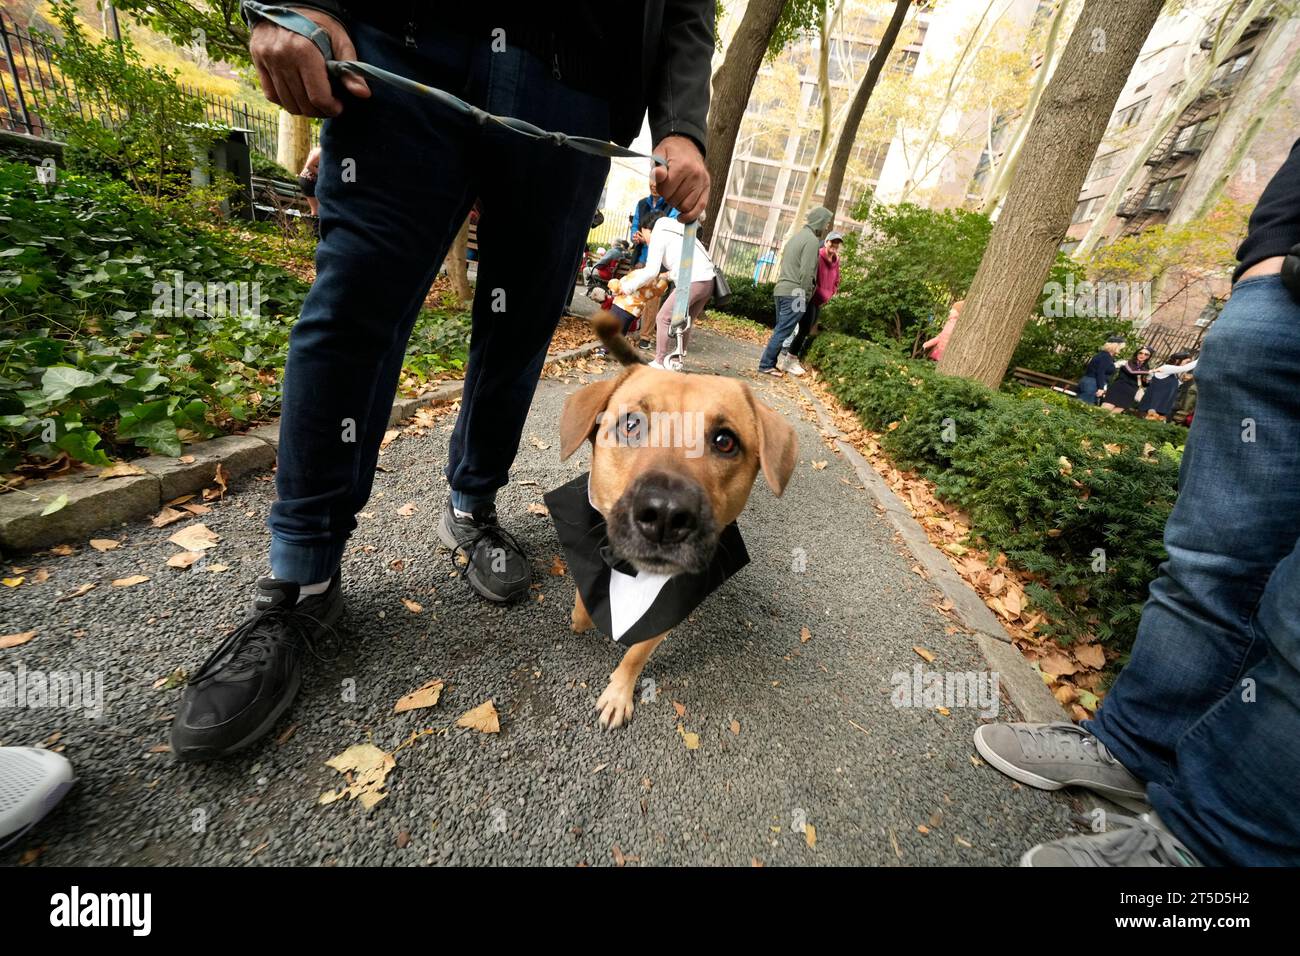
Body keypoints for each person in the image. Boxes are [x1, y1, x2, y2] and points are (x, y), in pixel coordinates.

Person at [169, 2, 714, 761]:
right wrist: (297, 5)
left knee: (521, 329)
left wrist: (682, 125)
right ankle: (302, 582)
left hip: (579, 92)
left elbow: (688, 10)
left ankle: (472, 504)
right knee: (355, 301)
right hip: (403, 42)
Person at [973, 137, 1300, 866]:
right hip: (1281, 302)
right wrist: (1268, 262)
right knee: (1208, 563)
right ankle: (1133, 750)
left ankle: (1213, 851)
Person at [621, 208, 716, 369]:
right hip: (708, 281)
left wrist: (628, 286)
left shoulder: (659, 230)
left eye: (644, 234)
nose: (646, 240)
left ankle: (660, 360)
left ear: (647, 228)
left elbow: (651, 271)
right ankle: (677, 361)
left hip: (692, 280)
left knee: (663, 317)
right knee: (684, 321)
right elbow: (683, 258)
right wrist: (668, 275)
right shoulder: (674, 226)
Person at [760, 206, 833, 377]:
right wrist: (806, 296)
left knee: (781, 328)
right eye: (826, 222)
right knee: (784, 330)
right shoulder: (812, 241)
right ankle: (766, 364)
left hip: (781, 289)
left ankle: (770, 363)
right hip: (796, 292)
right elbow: (807, 272)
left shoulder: (796, 237)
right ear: (819, 221)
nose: (827, 226)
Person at [782, 230, 843, 376]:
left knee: (806, 330)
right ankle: (788, 360)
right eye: (832, 242)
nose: (834, 245)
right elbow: (808, 274)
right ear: (827, 242)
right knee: (803, 329)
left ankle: (792, 357)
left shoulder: (835, 260)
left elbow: (836, 279)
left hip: (820, 300)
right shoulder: (818, 255)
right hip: (809, 297)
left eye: (837, 243)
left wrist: (832, 291)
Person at [630, 179, 678, 267]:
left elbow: (669, 236)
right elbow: (635, 226)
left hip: (660, 263)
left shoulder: (673, 206)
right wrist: (635, 236)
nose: (654, 185)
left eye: (659, 181)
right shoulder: (641, 204)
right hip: (638, 260)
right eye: (652, 179)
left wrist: (647, 239)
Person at [1138, 351, 1197, 421]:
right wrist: (1203, 357)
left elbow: (1170, 387)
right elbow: (1185, 368)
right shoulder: (1166, 368)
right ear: (1177, 360)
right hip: (1152, 407)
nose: (1188, 364)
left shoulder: (1174, 373)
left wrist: (1182, 381)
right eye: (1187, 362)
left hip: (1162, 408)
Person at [1075, 335, 1125, 405]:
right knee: (1082, 407)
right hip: (1092, 384)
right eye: (1121, 348)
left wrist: (1115, 365)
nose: (1121, 350)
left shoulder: (1103, 355)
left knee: (1078, 405)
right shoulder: (1106, 357)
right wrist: (1101, 388)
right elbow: (1100, 372)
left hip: (1088, 381)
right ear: (1116, 346)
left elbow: (1103, 369)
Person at [1101, 345, 1152, 412]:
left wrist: (1147, 381)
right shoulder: (1127, 362)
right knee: (1103, 411)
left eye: (1146, 354)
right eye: (1140, 353)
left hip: (1130, 392)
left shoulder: (1146, 368)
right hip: (1118, 388)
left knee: (1113, 415)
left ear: (1148, 357)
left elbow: (1141, 382)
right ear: (1137, 353)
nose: (1142, 355)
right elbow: (1131, 371)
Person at [922, 298, 964, 363]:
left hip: (945, 352)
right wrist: (928, 343)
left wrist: (929, 343)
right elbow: (941, 336)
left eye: (953, 310)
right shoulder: (950, 322)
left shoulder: (954, 323)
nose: (950, 311)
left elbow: (942, 337)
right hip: (942, 351)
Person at [297, 144, 321, 215]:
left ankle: (316, 225)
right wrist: (320, 173)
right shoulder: (319, 151)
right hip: (308, 180)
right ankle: (315, 225)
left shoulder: (321, 150)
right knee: (316, 209)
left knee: (318, 208)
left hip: (310, 180)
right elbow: (308, 165)